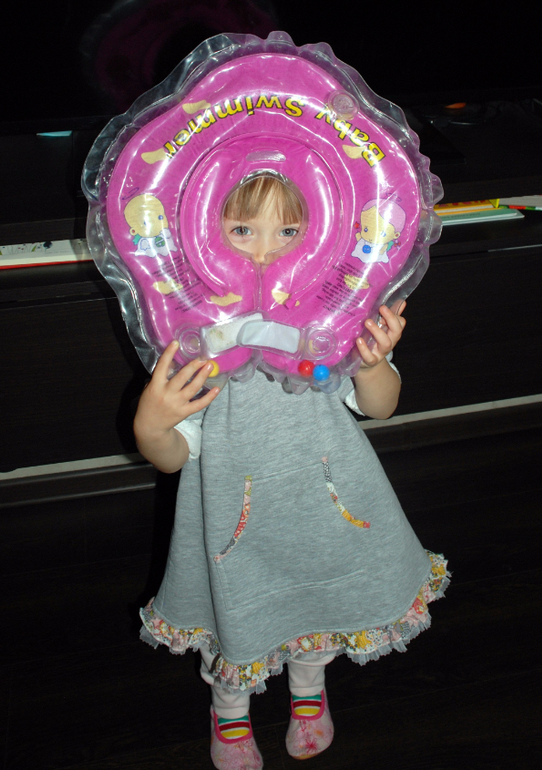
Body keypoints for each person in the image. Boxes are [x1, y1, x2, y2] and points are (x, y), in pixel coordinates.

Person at [134, 175, 449, 770]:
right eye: (241, 229)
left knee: (318, 598)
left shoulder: (335, 318)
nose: (264, 251)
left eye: (288, 230)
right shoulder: (194, 336)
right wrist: (151, 426)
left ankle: (309, 687)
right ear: (197, 230)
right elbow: (174, 455)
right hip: (232, 521)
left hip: (325, 504)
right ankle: (229, 705)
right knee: (236, 616)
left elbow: (380, 406)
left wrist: (371, 364)